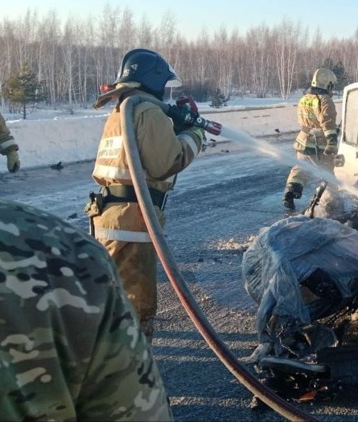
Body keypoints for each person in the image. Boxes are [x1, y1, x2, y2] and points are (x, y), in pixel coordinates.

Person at [0, 199, 172, 421]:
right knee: (137, 304)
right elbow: (161, 165)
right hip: (131, 218)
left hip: (113, 214)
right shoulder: (54, 249)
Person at [86, 48, 205, 341]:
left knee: (111, 304)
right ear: (152, 80)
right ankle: (132, 375)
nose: (165, 92)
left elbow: (139, 152)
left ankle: (106, 368)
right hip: (133, 222)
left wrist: (172, 125)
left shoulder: (122, 109)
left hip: (109, 217)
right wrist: (194, 134)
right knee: (136, 308)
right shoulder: (147, 110)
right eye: (164, 85)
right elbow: (167, 162)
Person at [283, 68, 339, 210]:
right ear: (328, 84)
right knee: (328, 172)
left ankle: (291, 191)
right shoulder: (325, 101)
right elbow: (328, 124)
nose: (332, 89)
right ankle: (333, 202)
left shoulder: (304, 99)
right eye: (332, 86)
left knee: (300, 168)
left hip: (303, 140)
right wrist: (332, 143)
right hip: (319, 144)